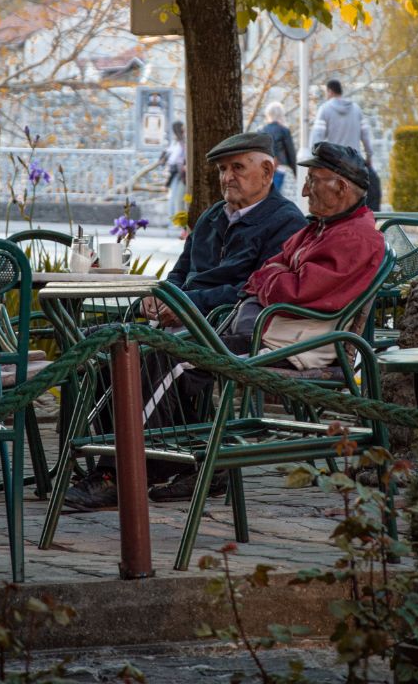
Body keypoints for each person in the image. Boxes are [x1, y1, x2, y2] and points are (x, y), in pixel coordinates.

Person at [64, 131, 307, 511]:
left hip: (223, 326)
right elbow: (179, 273)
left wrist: (184, 304)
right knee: (99, 342)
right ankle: (146, 459)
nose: (228, 177)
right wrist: (156, 298)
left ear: (267, 170)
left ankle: (121, 473)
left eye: (238, 168)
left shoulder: (285, 222)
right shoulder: (212, 216)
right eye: (224, 169)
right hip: (182, 315)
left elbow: (255, 291)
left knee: (160, 354)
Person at [148, 141, 384, 502]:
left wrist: (271, 279)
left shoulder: (354, 237)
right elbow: (273, 270)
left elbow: (290, 286)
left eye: (314, 181)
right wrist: (274, 277)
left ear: (341, 187)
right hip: (268, 335)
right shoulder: (319, 229)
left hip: (293, 348)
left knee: (175, 358)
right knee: (154, 349)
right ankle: (168, 463)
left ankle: (131, 470)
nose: (304, 190)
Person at [310, 79, 380, 210]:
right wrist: (369, 156)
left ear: (329, 91)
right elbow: (365, 136)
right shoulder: (356, 109)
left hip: (335, 164)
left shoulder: (325, 109)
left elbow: (317, 137)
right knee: (356, 199)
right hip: (355, 163)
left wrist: (315, 157)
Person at [259, 101, 297, 193]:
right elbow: (290, 152)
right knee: (276, 193)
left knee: (266, 193)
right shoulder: (284, 130)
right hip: (281, 167)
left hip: (265, 167)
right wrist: (296, 172)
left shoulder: (261, 130)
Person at [159, 120, 187, 228]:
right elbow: (171, 155)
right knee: (174, 199)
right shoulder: (177, 142)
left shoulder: (182, 143)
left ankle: (177, 224)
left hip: (180, 175)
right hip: (176, 174)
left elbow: (175, 158)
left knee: (177, 199)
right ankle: (175, 224)